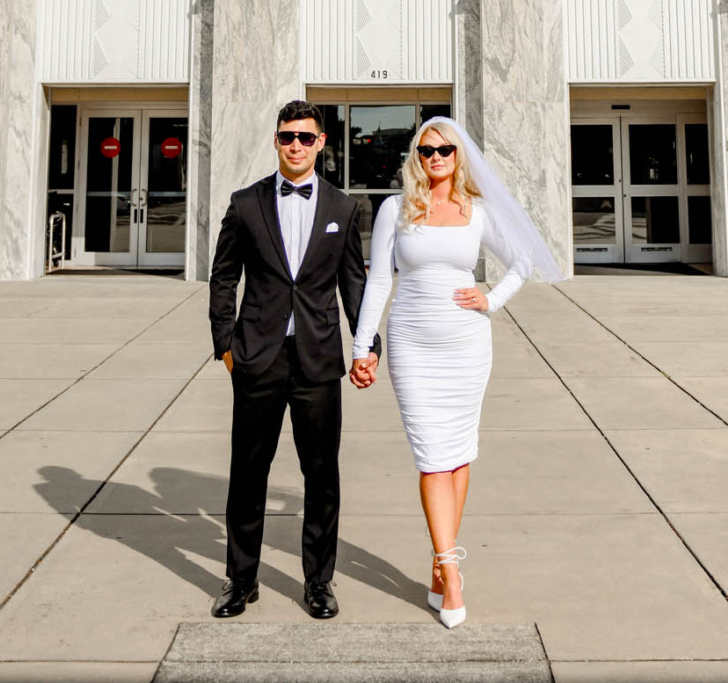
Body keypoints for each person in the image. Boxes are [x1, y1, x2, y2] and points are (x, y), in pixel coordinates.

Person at [351, 116, 562, 628]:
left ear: (458, 155)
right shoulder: (395, 210)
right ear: (416, 158)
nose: (436, 157)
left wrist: (491, 301)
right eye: (426, 150)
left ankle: (439, 564)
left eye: (445, 149)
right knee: (431, 457)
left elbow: (523, 261)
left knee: (459, 453)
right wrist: (361, 346)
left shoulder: (478, 212)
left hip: (466, 345)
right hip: (411, 343)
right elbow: (378, 279)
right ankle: (451, 568)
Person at [208, 100, 380, 620]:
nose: (297, 146)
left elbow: (354, 281)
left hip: (317, 359)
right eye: (288, 137)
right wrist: (225, 345)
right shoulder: (245, 204)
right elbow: (223, 277)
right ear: (276, 141)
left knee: (322, 475)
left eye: (306, 137)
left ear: (322, 142)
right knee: (248, 473)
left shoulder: (343, 208)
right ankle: (240, 580)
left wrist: (366, 345)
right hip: (257, 357)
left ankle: (319, 582)